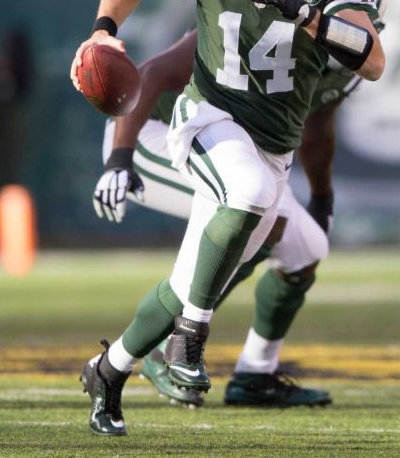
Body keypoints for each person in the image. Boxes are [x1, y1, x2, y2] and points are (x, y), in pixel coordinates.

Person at [70, 0, 386, 435]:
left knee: (198, 272)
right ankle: (190, 341)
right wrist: (104, 34)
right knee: (242, 192)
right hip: (204, 116)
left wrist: (308, 16)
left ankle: (108, 371)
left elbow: (372, 61)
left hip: (273, 145)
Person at [93, 22, 378, 408]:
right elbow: (153, 73)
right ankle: (163, 348)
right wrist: (119, 158)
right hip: (158, 135)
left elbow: (317, 126)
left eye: (365, 21)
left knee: (307, 248)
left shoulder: (346, 61)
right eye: (350, 16)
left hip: (240, 153)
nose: (357, 30)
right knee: (259, 217)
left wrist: (323, 197)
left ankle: (255, 374)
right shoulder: (253, 16)